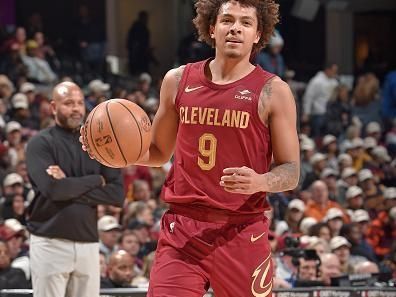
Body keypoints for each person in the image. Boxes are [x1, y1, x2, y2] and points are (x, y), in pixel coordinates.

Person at [82, 1, 299, 296]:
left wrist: (261, 181)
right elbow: (158, 151)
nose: (235, 28)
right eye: (227, 20)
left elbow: (291, 170)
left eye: (246, 23)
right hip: (183, 229)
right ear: (212, 27)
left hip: (241, 229)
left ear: (258, 34)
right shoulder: (177, 80)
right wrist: (111, 153)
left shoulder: (274, 91)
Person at [26, 81, 124, 297]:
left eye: (80, 103)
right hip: (50, 241)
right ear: (53, 107)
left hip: (88, 243)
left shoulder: (98, 144)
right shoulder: (39, 143)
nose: (76, 109)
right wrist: (96, 180)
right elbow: (53, 190)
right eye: (68, 103)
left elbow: (117, 195)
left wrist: (68, 184)